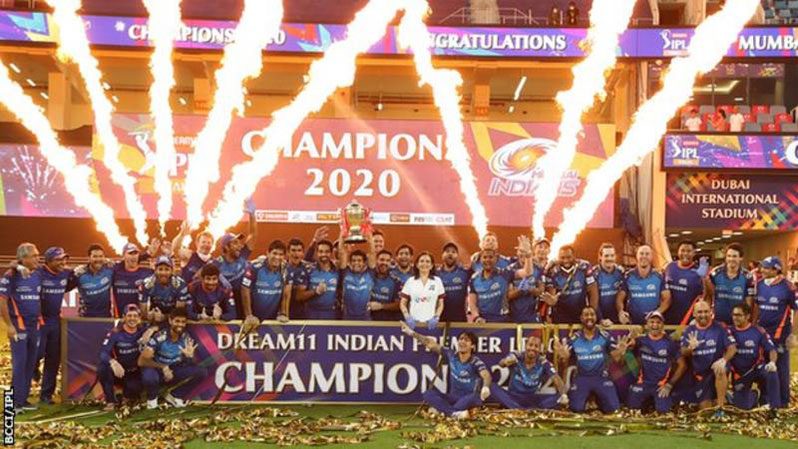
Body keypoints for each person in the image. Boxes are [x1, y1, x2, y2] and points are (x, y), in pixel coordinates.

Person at [402, 324, 491, 419]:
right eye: (461, 339)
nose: (462, 341)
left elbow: (486, 375)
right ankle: (453, 413)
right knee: (428, 394)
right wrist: (412, 333)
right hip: (453, 397)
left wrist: (486, 387)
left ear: (472, 346)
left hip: (470, 398)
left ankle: (442, 411)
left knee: (473, 397)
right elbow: (430, 343)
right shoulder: (451, 355)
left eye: (466, 340)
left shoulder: (476, 361)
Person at [553, 306, 623, 413]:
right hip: (582, 378)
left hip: (601, 377)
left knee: (613, 409)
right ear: (581, 318)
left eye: (592, 314)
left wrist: (620, 351)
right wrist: (563, 356)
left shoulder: (605, 336)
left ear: (596, 317)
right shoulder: (574, 338)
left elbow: (616, 357)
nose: (589, 317)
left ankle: (598, 402)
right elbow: (565, 358)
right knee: (576, 409)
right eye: (586, 315)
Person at [0, 243, 43, 412]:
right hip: (18, 326)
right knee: (19, 364)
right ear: (23, 258)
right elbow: (2, 301)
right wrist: (9, 326)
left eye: (37, 255)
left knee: (30, 364)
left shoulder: (38, 273)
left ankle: (22, 400)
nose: (38, 258)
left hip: (34, 325)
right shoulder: (11, 275)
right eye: (34, 256)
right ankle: (13, 403)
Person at [752, 256, 798, 408]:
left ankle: (783, 402)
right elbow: (756, 307)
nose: (762, 270)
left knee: (781, 368)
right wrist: (754, 326)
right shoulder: (759, 284)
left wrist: (793, 334)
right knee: (765, 367)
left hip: (780, 335)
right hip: (762, 334)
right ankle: (766, 400)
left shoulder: (788, 287)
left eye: (766, 267)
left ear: (776, 270)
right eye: (762, 267)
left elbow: (796, 310)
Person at [139, 307, 204, 409]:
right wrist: (163, 367)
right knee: (149, 376)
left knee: (201, 372)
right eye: (177, 321)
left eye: (183, 322)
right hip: (157, 370)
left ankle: (175, 396)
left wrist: (190, 357)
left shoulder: (186, 337)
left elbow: (192, 363)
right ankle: (152, 400)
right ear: (170, 321)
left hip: (173, 370)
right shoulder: (160, 336)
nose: (180, 324)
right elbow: (141, 361)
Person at [678, 300, 736, 412]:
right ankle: (725, 397)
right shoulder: (689, 331)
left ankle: (720, 408)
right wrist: (690, 348)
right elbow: (683, 352)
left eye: (706, 311)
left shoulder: (720, 327)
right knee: (706, 410)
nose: (703, 315)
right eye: (700, 312)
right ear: (694, 314)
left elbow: (732, 347)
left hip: (716, 369)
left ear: (711, 312)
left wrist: (724, 360)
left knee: (720, 368)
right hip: (701, 374)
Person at [35, 247, 76, 404]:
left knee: (53, 358)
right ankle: (33, 368)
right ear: (48, 261)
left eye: (64, 259)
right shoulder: (38, 272)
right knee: (36, 353)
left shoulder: (66, 273)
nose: (63, 262)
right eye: (59, 259)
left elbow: (80, 275)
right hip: (38, 320)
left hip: (55, 320)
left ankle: (46, 395)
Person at [624, 311, 685, 413]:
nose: (655, 325)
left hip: (660, 386)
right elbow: (628, 350)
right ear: (647, 324)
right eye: (652, 322)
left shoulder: (670, 343)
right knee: (631, 409)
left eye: (658, 322)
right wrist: (629, 340)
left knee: (663, 412)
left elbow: (683, 365)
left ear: (663, 325)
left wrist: (669, 385)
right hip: (643, 383)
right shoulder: (640, 340)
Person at [97, 304, 155, 410]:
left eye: (135, 316)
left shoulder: (143, 330)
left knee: (135, 387)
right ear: (124, 317)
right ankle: (110, 401)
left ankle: (126, 396)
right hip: (119, 371)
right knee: (102, 368)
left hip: (134, 372)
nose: (132, 319)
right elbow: (103, 353)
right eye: (129, 316)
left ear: (139, 318)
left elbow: (163, 326)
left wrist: (151, 330)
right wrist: (113, 362)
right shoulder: (115, 333)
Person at [490, 335, 568, 410]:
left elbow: (556, 378)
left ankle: (517, 408)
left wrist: (564, 395)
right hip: (513, 397)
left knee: (559, 397)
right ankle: (526, 409)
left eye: (536, 346)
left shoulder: (544, 362)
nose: (533, 348)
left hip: (532, 399)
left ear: (539, 349)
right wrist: (506, 361)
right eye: (530, 345)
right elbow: (501, 364)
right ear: (525, 346)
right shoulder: (517, 355)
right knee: (492, 387)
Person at [467, 237, 533, 323]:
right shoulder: (474, 279)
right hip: (482, 322)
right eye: (485, 257)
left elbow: (527, 272)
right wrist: (476, 317)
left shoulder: (504, 273)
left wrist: (528, 254)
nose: (487, 260)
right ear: (480, 260)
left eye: (491, 257)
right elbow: (472, 303)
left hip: (503, 322)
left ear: (496, 259)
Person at [729, 303, 780, 410]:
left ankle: (773, 406)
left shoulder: (758, 331)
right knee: (743, 407)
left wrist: (772, 362)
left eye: (739, 315)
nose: (735, 318)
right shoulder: (728, 332)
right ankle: (755, 395)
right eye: (734, 315)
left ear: (747, 316)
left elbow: (772, 349)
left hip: (757, 369)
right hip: (740, 374)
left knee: (771, 372)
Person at [542, 245, 598, 324]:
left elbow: (593, 290)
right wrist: (553, 300)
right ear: (558, 258)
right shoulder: (552, 271)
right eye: (562, 258)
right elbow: (552, 294)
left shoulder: (584, 266)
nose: (566, 260)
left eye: (569, 257)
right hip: (560, 316)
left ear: (574, 256)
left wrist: (592, 313)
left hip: (581, 315)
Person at [618, 245, 671, 325]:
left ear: (652, 256)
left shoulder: (659, 276)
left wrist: (657, 313)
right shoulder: (628, 276)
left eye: (647, 254)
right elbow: (619, 298)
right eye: (641, 253)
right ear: (637, 256)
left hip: (653, 324)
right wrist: (621, 311)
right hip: (632, 324)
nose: (644, 256)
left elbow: (667, 299)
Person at [705, 243, 755, 325]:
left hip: (738, 322)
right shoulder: (715, 273)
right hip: (718, 320)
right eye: (729, 256)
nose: (731, 259)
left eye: (734, 256)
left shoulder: (748, 276)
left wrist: (747, 321)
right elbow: (708, 296)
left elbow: (749, 302)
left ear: (741, 258)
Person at [241, 240, 291, 324]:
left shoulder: (285, 269)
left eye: (281, 254)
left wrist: (283, 313)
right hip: (253, 320)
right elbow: (244, 289)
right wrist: (249, 315)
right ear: (267, 253)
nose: (277, 257)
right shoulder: (255, 267)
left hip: (272, 320)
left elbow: (286, 292)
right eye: (274, 253)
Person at [296, 239, 340, 320]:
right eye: (320, 251)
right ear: (316, 253)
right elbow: (299, 296)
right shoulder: (308, 270)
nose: (323, 254)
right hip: (311, 314)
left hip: (331, 314)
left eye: (327, 252)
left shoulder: (337, 270)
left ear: (331, 253)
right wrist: (315, 291)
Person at [400, 252, 445, 329]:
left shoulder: (437, 281)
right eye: (421, 261)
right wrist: (407, 317)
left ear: (431, 266)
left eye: (427, 261)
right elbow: (403, 303)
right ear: (417, 265)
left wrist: (436, 317)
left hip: (430, 324)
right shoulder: (410, 281)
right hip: (413, 324)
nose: (424, 263)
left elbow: (441, 303)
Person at [664, 241, 705, 325]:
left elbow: (705, 296)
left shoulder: (699, 273)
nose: (685, 253)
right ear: (678, 252)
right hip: (666, 318)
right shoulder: (670, 267)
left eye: (689, 251)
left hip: (687, 321)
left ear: (694, 253)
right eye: (682, 250)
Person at [139, 256, 190, 324]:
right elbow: (143, 311)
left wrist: (164, 317)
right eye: (160, 269)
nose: (163, 273)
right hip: (154, 316)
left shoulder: (180, 284)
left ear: (172, 271)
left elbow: (179, 313)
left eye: (167, 269)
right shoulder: (146, 284)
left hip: (173, 321)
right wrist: (148, 315)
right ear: (155, 270)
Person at [71, 244, 115, 317]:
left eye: (101, 256)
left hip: (105, 316)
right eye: (95, 256)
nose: (98, 259)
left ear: (104, 257)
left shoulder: (110, 269)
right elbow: (63, 287)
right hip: (85, 317)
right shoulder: (79, 274)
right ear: (89, 258)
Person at [112, 243, 154, 317]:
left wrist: (170, 255)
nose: (133, 256)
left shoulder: (148, 273)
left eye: (136, 253)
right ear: (123, 255)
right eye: (130, 253)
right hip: (120, 318)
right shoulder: (115, 271)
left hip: (140, 318)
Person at [507, 243, 544, 323]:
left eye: (525, 251)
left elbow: (541, 292)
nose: (523, 254)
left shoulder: (538, 268)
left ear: (531, 252)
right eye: (521, 251)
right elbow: (508, 295)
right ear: (517, 252)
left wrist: (530, 289)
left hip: (532, 316)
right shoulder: (510, 268)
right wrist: (520, 290)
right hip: (513, 316)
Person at [437, 242, 471, 323]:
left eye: (453, 252)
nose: (450, 254)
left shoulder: (465, 272)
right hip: (440, 319)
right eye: (447, 251)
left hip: (460, 319)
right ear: (442, 255)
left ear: (457, 256)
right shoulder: (435, 274)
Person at [593, 243, 624, 325]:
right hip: (601, 322)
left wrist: (622, 313)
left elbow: (625, 296)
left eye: (612, 255)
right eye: (606, 256)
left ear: (615, 256)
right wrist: (601, 319)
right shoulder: (594, 274)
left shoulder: (621, 272)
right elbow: (592, 300)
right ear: (600, 257)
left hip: (619, 321)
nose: (609, 258)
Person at [368, 249, 402, 321]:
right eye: (382, 260)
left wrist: (381, 306)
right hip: (365, 320)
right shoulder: (368, 276)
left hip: (386, 322)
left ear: (391, 263)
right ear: (376, 260)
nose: (384, 263)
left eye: (387, 260)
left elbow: (399, 305)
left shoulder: (396, 281)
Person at [285, 238, 312, 320]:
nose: (296, 253)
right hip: (281, 313)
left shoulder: (308, 268)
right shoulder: (280, 267)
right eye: (293, 250)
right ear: (288, 252)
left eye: (299, 250)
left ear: (303, 253)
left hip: (301, 314)